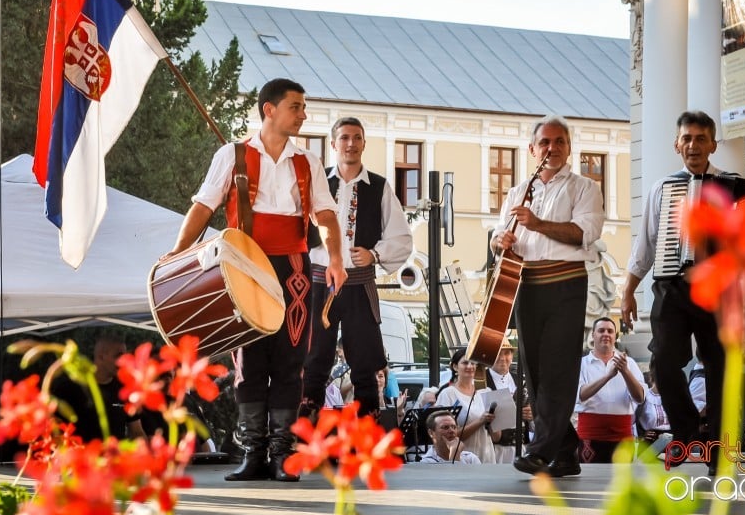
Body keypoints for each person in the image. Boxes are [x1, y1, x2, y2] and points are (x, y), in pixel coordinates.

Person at [164, 78, 348, 483]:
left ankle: (282, 455)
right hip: (244, 267)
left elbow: (326, 216)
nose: (303, 114)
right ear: (269, 110)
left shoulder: (309, 162)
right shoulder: (231, 156)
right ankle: (254, 454)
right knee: (248, 363)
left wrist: (335, 258)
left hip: (295, 270)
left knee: (290, 361)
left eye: (303, 107)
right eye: (296, 107)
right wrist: (179, 250)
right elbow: (203, 206)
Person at [620, 110, 745, 476]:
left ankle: (722, 452)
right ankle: (687, 433)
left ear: (712, 144)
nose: (693, 145)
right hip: (671, 288)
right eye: (687, 139)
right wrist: (627, 291)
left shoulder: (735, 188)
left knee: (720, 369)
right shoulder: (662, 189)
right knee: (663, 361)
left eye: (700, 139)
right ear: (676, 145)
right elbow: (645, 245)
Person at [492, 115, 604, 477]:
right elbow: (497, 237)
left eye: (559, 142)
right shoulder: (517, 191)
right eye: (545, 143)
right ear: (532, 149)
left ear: (569, 148)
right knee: (536, 373)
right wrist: (500, 241)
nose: (552, 149)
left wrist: (536, 224)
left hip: (567, 281)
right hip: (526, 284)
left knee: (558, 368)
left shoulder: (585, 187)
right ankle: (567, 450)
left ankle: (540, 452)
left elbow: (583, 233)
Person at [302, 117, 414, 419]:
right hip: (319, 283)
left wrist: (375, 255)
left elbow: (402, 237)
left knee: (366, 363)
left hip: (358, 283)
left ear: (364, 143)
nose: (350, 143)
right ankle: (300, 436)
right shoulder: (317, 183)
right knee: (313, 360)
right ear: (334, 143)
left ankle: (366, 433)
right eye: (344, 137)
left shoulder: (378, 186)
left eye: (356, 137)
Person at [51, 333, 146, 442]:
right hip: (80, 457)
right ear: (101, 356)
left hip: (115, 458)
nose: (123, 361)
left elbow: (136, 431)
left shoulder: (126, 389)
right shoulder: (69, 387)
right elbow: (54, 428)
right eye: (118, 356)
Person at [575, 317, 645, 463]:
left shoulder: (629, 363)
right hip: (591, 436)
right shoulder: (582, 364)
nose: (606, 334)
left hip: (623, 437)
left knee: (622, 483)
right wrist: (608, 376)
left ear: (615, 336)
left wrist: (625, 371)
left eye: (610, 331)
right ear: (593, 335)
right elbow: (581, 394)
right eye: (601, 330)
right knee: (592, 482)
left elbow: (640, 397)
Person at [435, 350, 497, 464]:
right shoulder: (448, 394)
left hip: (487, 456)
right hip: (463, 458)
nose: (470, 366)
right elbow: (444, 437)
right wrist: (480, 421)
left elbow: (497, 437)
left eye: (473, 363)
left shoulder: (486, 392)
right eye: (465, 363)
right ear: (455, 367)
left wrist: (495, 421)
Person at [484, 343, 519, 464]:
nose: (502, 358)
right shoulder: (481, 380)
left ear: (512, 356)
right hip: (494, 447)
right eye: (497, 353)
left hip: (521, 447)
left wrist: (531, 413)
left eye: (507, 353)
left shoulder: (520, 379)